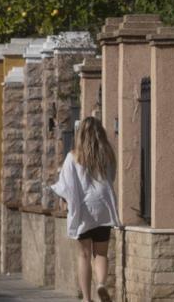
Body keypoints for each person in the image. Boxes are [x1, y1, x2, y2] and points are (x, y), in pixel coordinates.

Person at [52, 117, 119, 302]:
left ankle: (87, 298)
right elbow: (111, 178)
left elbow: (66, 186)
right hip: (104, 207)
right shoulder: (108, 155)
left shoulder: (73, 157)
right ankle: (101, 284)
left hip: (83, 210)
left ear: (80, 135)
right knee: (101, 253)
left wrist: (64, 201)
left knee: (84, 254)